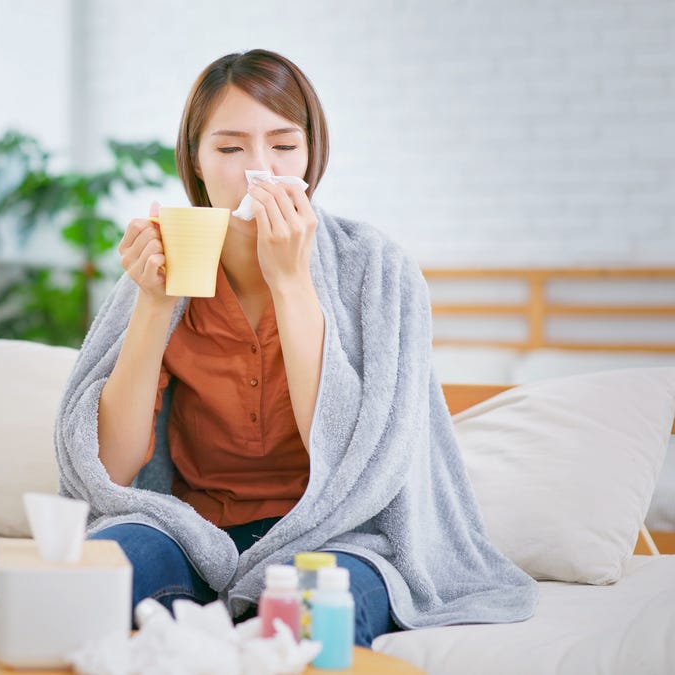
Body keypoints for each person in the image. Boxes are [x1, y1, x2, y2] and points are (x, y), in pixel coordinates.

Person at [84, 49, 527, 647]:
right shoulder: (159, 266)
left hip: (337, 537)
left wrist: (292, 281)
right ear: (196, 159)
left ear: (312, 156)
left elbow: (354, 470)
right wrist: (154, 304)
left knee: (311, 623)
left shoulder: (376, 268)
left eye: (284, 146)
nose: (259, 169)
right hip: (190, 532)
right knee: (88, 586)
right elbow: (110, 466)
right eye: (230, 148)